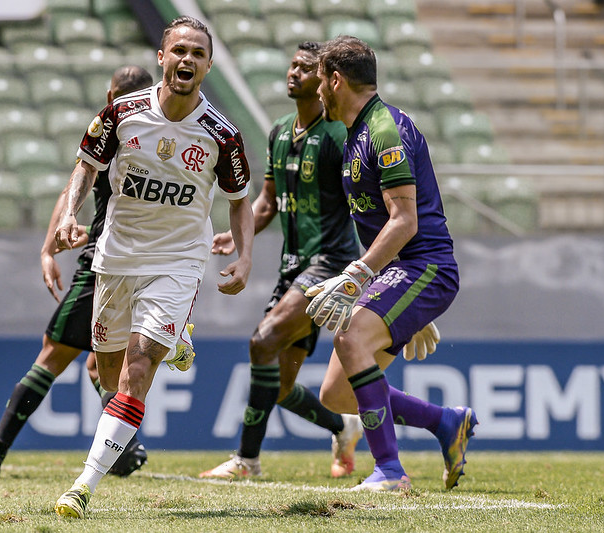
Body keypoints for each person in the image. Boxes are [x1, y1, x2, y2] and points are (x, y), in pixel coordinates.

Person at [52, 16, 254, 518]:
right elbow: (86, 166)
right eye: (179, 50)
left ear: (208, 65)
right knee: (105, 369)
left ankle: (84, 484)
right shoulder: (121, 114)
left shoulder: (221, 135)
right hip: (116, 256)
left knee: (138, 371)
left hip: (178, 259)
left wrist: (246, 256)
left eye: (197, 53)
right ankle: (178, 329)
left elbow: (239, 201)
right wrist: (69, 214)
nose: (187, 59)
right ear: (161, 58)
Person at [0, 65, 179, 479]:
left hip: (103, 268)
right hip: (152, 266)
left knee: (52, 354)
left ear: (110, 95)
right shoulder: (161, 136)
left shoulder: (113, 129)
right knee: (100, 367)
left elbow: (74, 187)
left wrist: (49, 248)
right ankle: (125, 449)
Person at [306, 35, 477, 492]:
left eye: (320, 80)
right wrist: (399, 306)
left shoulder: (385, 131)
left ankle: (390, 471)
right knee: (337, 394)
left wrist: (356, 276)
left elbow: (404, 221)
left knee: (349, 336)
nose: (316, 90)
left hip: (426, 267)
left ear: (335, 80)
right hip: (402, 274)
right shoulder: (357, 135)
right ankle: (446, 422)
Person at [199, 42, 364, 480]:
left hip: (330, 263)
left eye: (305, 68)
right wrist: (238, 234)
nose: (293, 72)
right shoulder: (277, 131)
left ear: (323, 79)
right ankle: (341, 425)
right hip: (293, 266)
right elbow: (268, 202)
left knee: (262, 341)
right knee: (283, 385)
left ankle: (246, 461)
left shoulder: (335, 137)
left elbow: (364, 202)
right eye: (291, 64)